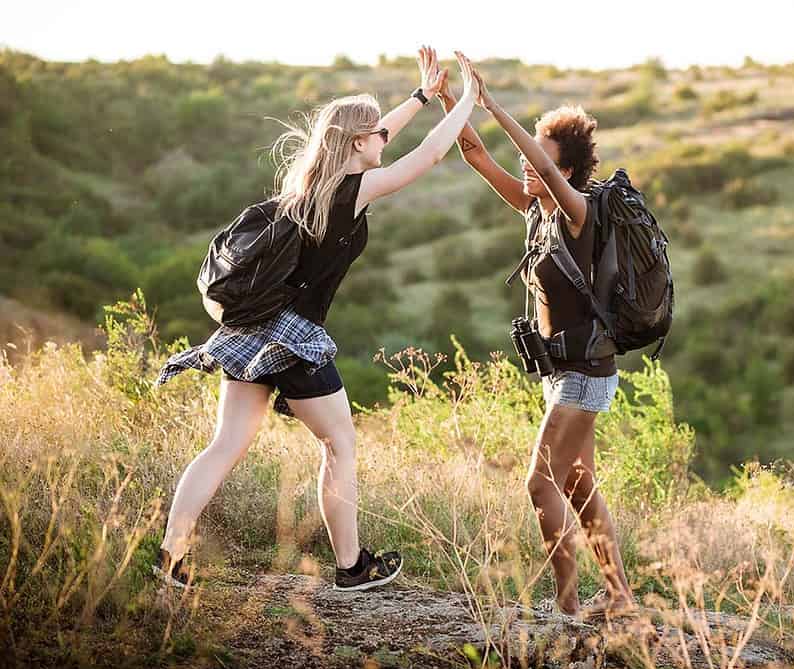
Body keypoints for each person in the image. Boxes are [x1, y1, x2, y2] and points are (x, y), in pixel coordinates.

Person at [153, 47, 479, 592]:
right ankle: (352, 568)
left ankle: (171, 555)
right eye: (374, 135)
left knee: (225, 445)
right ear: (356, 145)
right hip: (294, 338)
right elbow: (428, 154)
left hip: (252, 331)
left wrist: (422, 96)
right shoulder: (355, 191)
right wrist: (468, 98)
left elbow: (385, 138)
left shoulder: (307, 189)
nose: (383, 139)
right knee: (339, 446)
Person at [438, 59, 635, 617]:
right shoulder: (537, 212)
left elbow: (543, 175)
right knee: (576, 484)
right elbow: (476, 153)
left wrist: (496, 106)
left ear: (567, 172)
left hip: (585, 376)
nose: (528, 169)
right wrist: (449, 98)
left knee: (539, 482)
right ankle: (619, 598)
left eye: (541, 161)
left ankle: (567, 604)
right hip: (563, 376)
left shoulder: (578, 213)